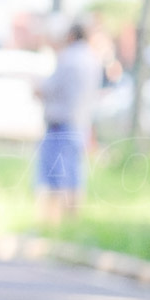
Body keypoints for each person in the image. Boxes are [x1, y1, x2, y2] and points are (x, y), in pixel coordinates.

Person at [34, 13, 103, 225]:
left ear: (71, 35)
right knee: (74, 174)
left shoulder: (68, 58)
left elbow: (49, 88)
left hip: (59, 123)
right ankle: (73, 220)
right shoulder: (93, 59)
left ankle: (51, 221)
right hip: (81, 123)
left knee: (53, 176)